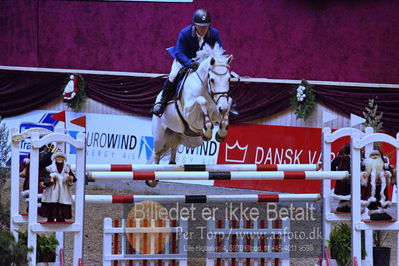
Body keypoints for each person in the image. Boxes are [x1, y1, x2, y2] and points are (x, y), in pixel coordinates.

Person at [152, 9, 224, 117]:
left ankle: (223, 104)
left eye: (206, 26)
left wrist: (219, 64)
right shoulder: (185, 33)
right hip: (184, 60)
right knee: (173, 75)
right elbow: (179, 53)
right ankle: (162, 102)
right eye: (200, 26)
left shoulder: (214, 33)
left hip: (202, 62)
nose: (203, 29)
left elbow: (220, 50)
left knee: (219, 77)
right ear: (194, 25)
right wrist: (189, 63)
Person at [39, 151, 76, 222]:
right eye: (58, 157)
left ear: (64, 159)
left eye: (61, 157)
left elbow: (73, 178)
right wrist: (50, 180)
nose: (60, 158)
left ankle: (61, 217)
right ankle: (50, 218)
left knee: (63, 202)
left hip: (63, 189)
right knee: (51, 202)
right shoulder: (49, 168)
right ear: (55, 158)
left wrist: (70, 178)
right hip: (52, 190)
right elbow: (42, 178)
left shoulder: (67, 168)